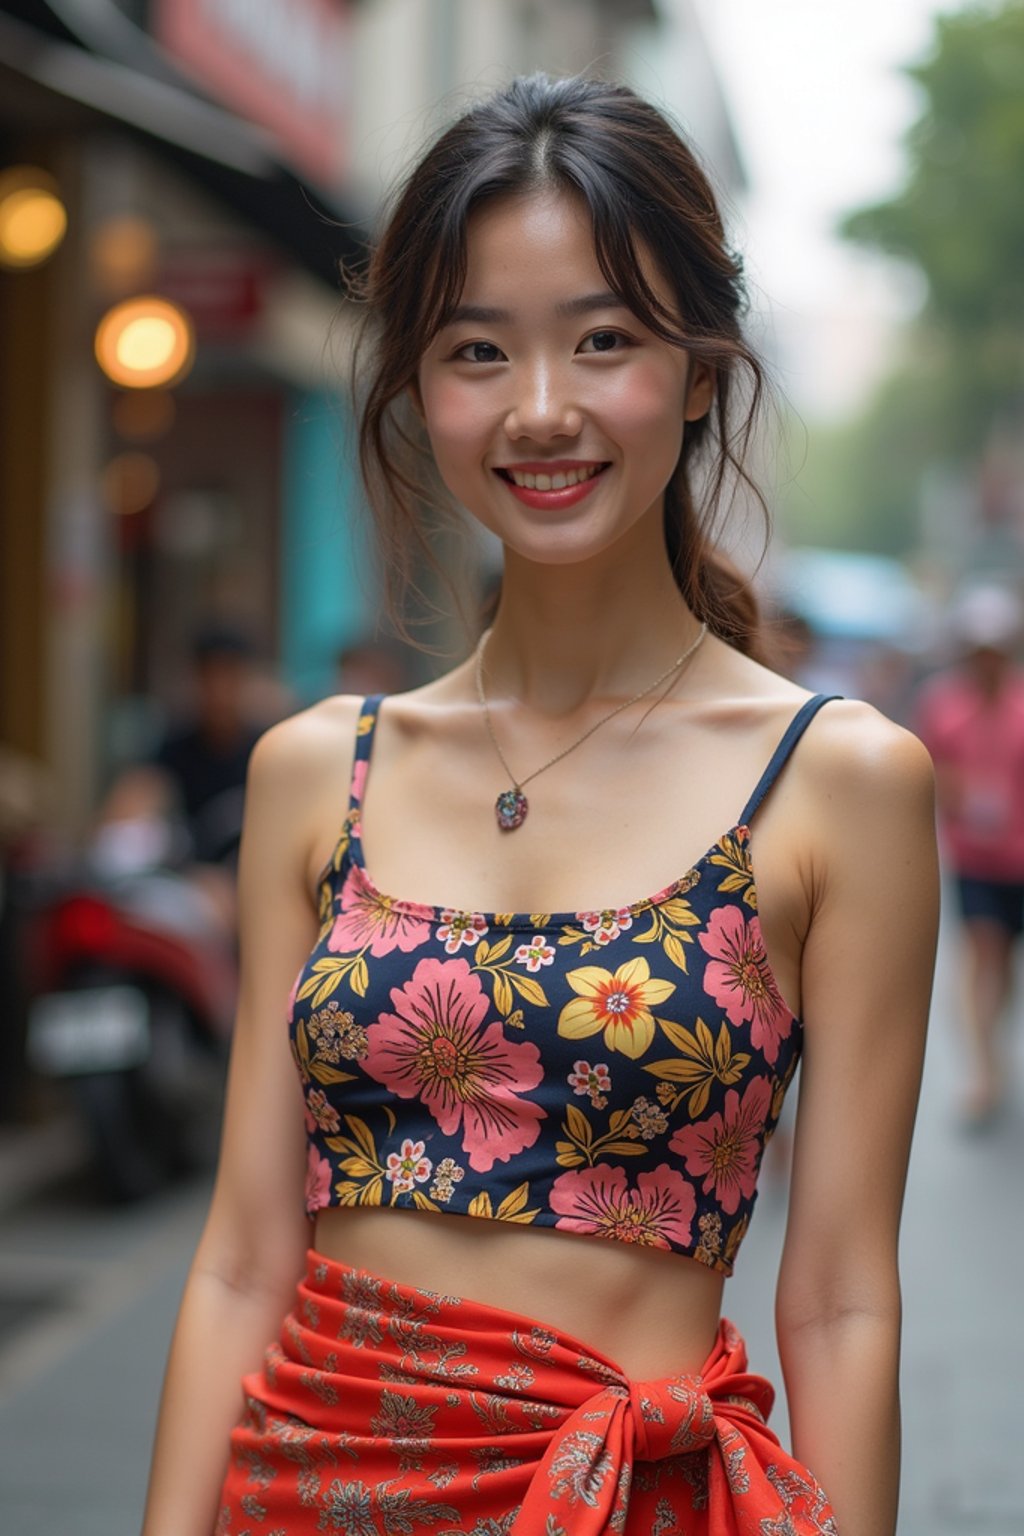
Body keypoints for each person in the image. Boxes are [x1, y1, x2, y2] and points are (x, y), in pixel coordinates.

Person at [142, 76, 938, 1536]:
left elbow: (837, 1302)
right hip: (306, 1492)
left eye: (604, 340)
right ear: (416, 384)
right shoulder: (318, 769)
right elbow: (245, 1260)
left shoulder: (841, 785)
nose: (542, 408)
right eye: (476, 351)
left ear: (700, 371)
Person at [915, 584, 1024, 1127]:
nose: (987, 660)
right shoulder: (943, 705)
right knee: (984, 953)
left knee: (1003, 964)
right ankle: (984, 1071)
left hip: (1019, 861)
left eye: (996, 650)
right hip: (974, 859)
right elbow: (925, 773)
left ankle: (993, 1045)